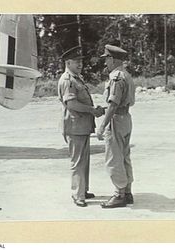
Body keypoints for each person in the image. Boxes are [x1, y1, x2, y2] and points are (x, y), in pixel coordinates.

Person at [58, 46, 104, 207]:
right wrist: (92, 110)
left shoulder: (77, 78)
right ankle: (77, 194)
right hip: (74, 126)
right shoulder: (67, 80)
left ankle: (83, 190)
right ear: (68, 62)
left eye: (81, 62)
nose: (80, 64)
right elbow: (72, 104)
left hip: (81, 126)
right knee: (77, 161)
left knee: (84, 160)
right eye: (77, 62)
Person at [97, 44, 135, 208]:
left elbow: (113, 104)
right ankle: (127, 191)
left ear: (112, 59)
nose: (106, 63)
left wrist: (102, 126)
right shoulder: (126, 74)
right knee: (124, 155)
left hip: (116, 119)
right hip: (125, 117)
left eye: (107, 59)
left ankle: (119, 194)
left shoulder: (116, 77)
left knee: (113, 157)